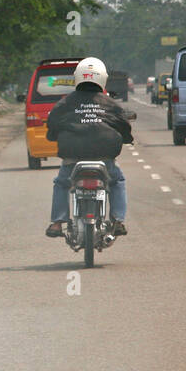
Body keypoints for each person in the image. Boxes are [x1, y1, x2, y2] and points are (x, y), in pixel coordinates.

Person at [44, 56, 132, 238]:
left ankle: (57, 223)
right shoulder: (110, 103)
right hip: (104, 156)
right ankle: (118, 220)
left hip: (72, 156)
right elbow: (123, 125)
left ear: (78, 77)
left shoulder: (65, 102)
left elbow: (52, 122)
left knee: (61, 183)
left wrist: (52, 136)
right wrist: (127, 138)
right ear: (102, 78)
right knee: (117, 181)